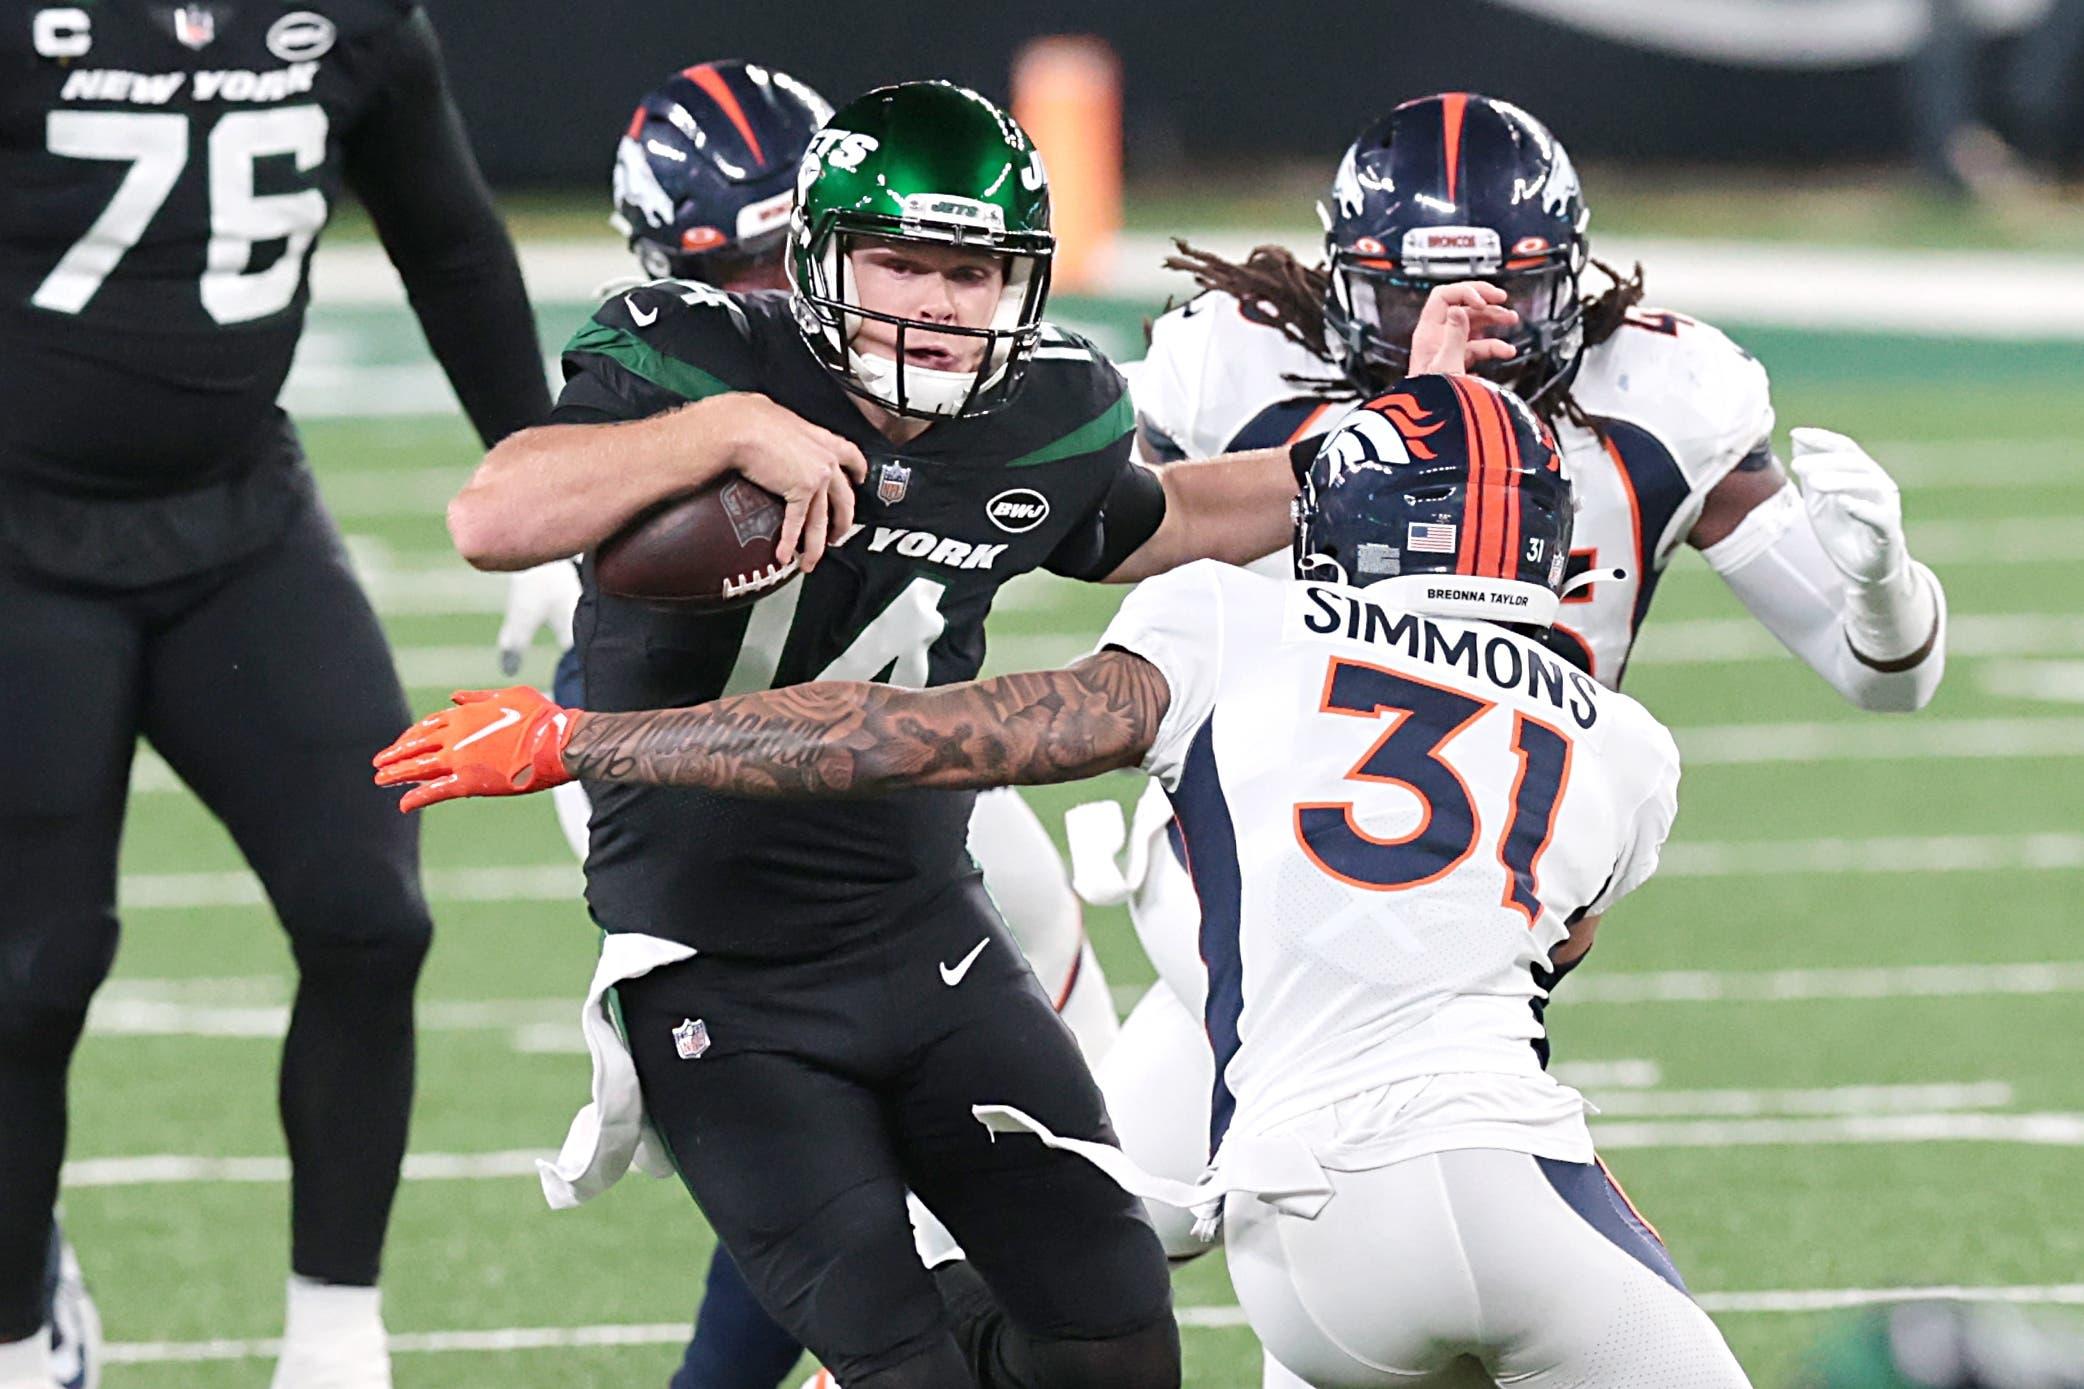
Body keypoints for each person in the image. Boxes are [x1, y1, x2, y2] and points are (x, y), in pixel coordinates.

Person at [372, 371, 1754, 1387]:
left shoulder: (1231, 617)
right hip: (1507, 1182)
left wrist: (584, 739)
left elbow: (890, 734)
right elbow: (1538, 949)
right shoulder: (1625, 744)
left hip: (1293, 1227)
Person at [425, 80, 1307, 1389]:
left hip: (923, 934)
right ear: (822, 257)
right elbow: (492, 515)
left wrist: (1375, 457)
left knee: (1116, 1352)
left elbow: (1151, 524)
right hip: (719, 970)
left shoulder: (1047, 408)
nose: (939, 304)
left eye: (972, 271)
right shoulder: (704, 350)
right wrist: (728, 431)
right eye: (904, 265)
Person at [1069, 97, 1948, 1385]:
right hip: (1256, 879)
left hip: (1487, 898)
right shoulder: (1240, 368)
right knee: (1110, 1237)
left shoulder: (1664, 394)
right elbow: (1122, 553)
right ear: (1343, 285)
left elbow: (1883, 677)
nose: (1478, 322)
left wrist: (1879, 586)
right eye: (1423, 295)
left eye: (1513, 293)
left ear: (1571, 284)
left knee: (1210, 1244)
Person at [0, 4, 551, 1388]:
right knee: (31, 969)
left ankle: (334, 1334)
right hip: (17, 540)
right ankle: (15, 1330)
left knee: (371, 915)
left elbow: (454, 245)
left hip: (238, 520)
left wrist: (542, 484)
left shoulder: (354, 22)